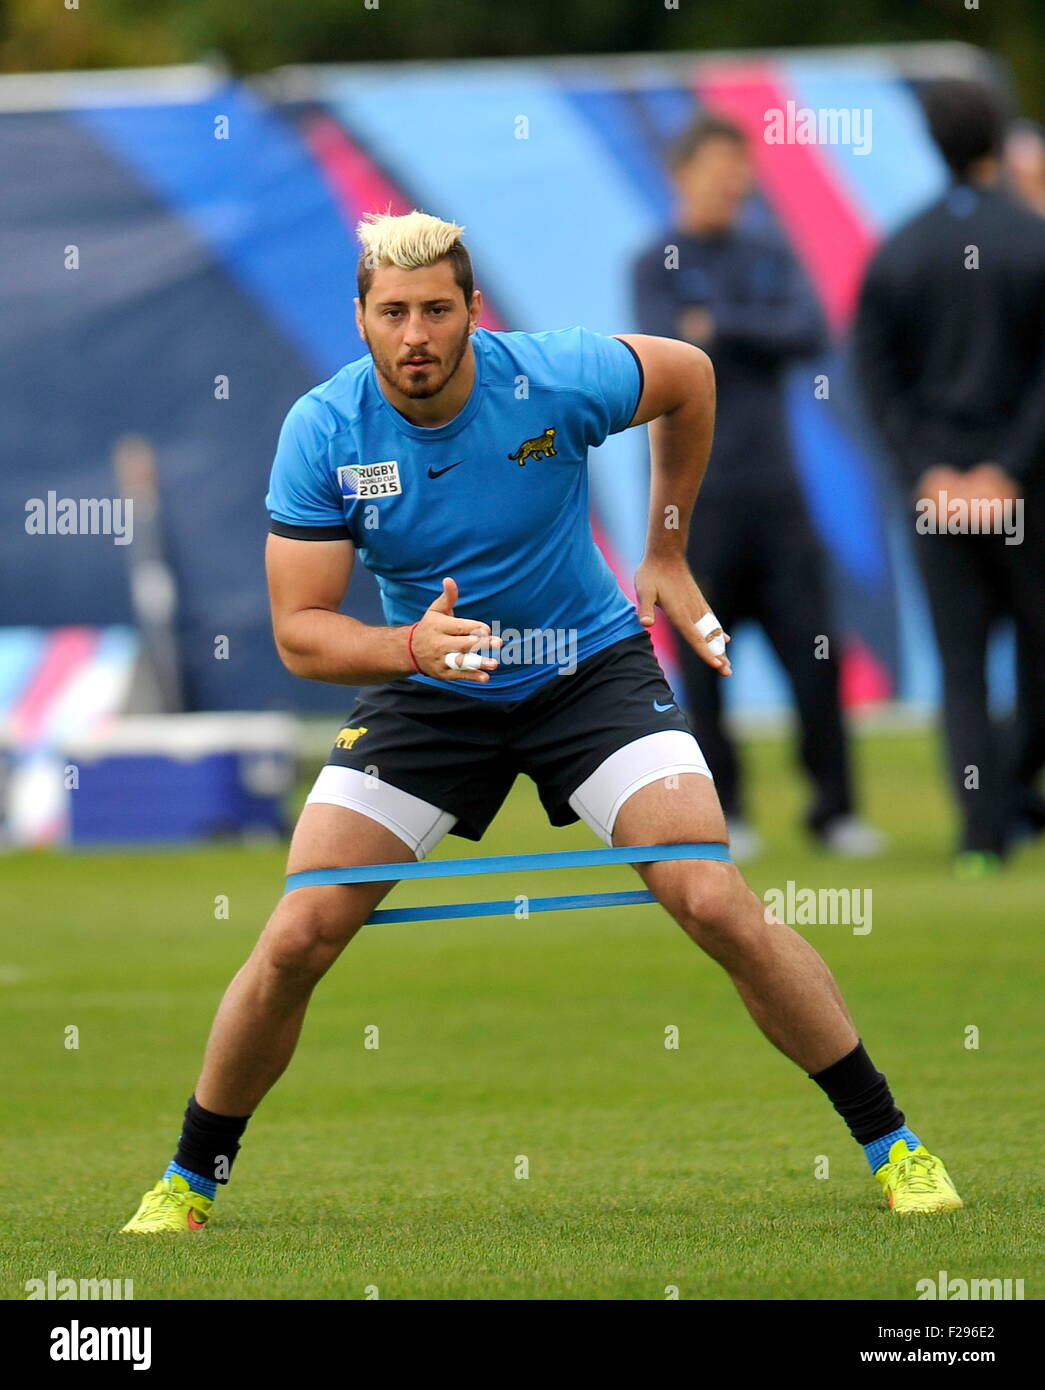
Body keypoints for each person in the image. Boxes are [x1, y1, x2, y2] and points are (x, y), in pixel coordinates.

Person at [120, 210, 961, 1233]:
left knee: (710, 895)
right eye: (393, 313)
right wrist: (407, 652)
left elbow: (691, 375)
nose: (416, 333)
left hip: (585, 670)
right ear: (361, 319)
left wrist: (663, 547)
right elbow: (300, 633)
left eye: (437, 309)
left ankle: (894, 1144)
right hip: (428, 685)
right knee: (299, 930)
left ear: (475, 310)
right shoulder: (323, 429)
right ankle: (188, 1179)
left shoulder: (552, 377)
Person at [632, 115, 885, 862]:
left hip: (777, 494)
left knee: (816, 655)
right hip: (700, 499)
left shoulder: (766, 251)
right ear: (681, 173)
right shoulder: (657, 262)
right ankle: (727, 810)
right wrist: (726, 332)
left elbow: (808, 330)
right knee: (706, 660)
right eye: (716, 166)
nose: (731, 181)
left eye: (739, 167)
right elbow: (667, 350)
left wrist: (723, 324)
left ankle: (833, 811)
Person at [854, 79, 1045, 874]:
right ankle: (1008, 796)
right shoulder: (1031, 240)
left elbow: (873, 379)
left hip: (935, 499)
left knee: (959, 667)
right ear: (997, 140)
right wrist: (1005, 468)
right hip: (1026, 492)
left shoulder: (899, 249)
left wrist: (927, 471)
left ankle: (980, 835)